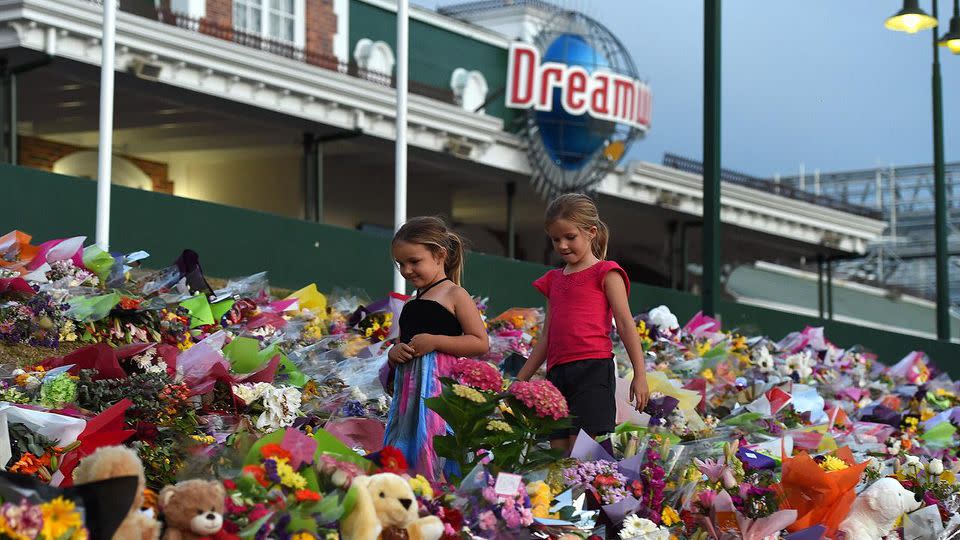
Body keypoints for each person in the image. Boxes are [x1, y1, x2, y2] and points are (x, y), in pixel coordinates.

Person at [516, 193, 650, 453]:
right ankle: (562, 495)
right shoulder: (553, 280)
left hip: (593, 370)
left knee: (586, 452)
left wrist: (640, 375)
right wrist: (520, 380)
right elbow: (547, 337)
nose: (563, 245)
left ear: (591, 232)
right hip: (558, 374)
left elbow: (624, 324)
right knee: (557, 452)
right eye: (556, 239)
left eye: (570, 237)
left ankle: (596, 494)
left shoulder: (606, 272)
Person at [381, 216, 489, 480]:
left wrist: (435, 341)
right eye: (401, 264)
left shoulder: (454, 294)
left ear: (439, 255)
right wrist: (393, 354)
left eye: (414, 261)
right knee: (406, 441)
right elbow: (401, 344)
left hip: (439, 390)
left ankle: (439, 492)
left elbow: (480, 342)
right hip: (409, 395)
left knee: (435, 441)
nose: (407, 270)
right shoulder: (409, 304)